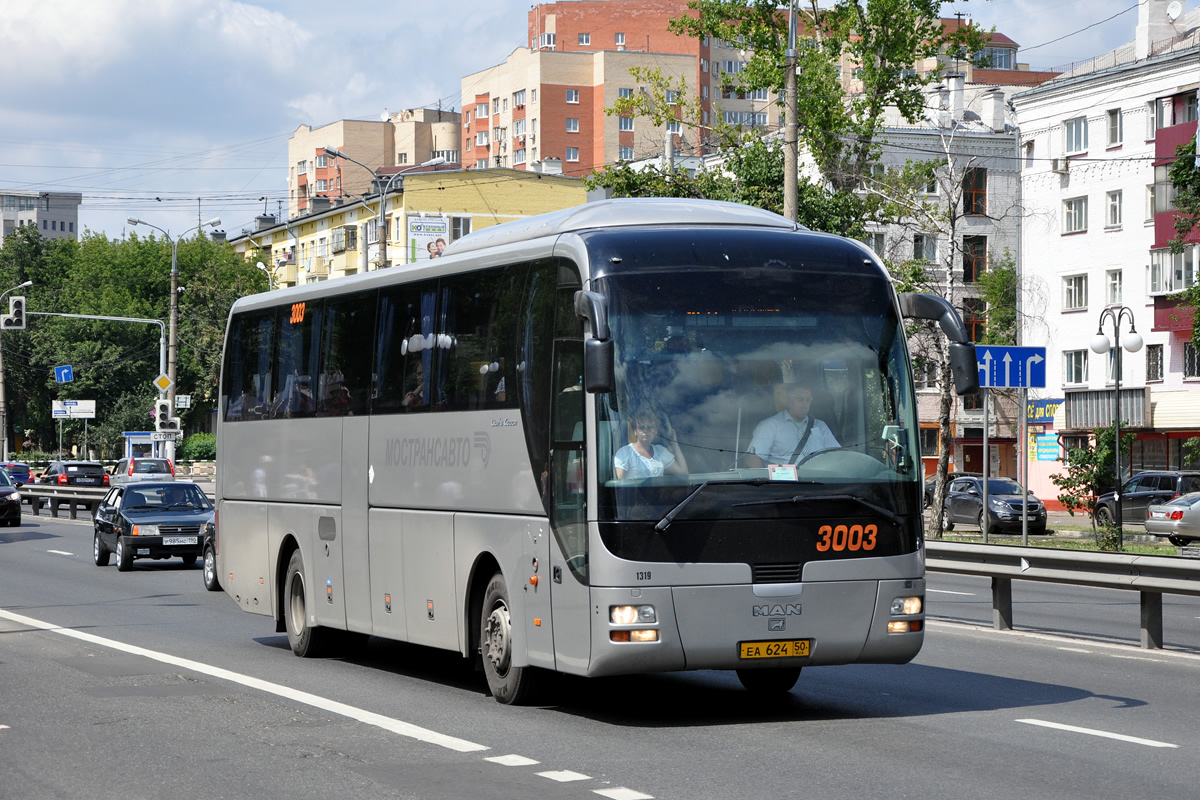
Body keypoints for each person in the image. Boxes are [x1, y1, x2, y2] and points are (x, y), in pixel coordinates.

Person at [745, 383, 839, 468]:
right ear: (788, 401)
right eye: (800, 399)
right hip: (787, 484)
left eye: (808, 400)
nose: (805, 403)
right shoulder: (770, 426)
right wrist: (765, 484)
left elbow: (837, 455)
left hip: (820, 482)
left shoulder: (820, 426)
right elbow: (752, 458)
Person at [614, 409, 689, 480]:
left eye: (650, 427)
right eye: (642, 427)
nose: (646, 431)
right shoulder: (625, 452)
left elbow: (683, 472)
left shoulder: (660, 451)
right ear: (635, 431)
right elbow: (621, 484)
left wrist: (674, 444)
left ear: (655, 431)